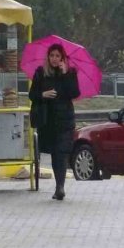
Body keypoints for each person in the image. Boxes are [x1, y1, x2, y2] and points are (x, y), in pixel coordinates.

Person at [28, 44, 80, 201]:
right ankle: (59, 186)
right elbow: (32, 95)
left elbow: (74, 93)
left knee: (62, 154)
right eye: (52, 56)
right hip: (48, 120)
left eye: (58, 56)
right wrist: (43, 94)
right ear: (48, 57)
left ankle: (60, 187)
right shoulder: (41, 73)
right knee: (54, 154)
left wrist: (65, 74)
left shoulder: (70, 73)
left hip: (64, 120)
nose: (55, 59)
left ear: (63, 58)